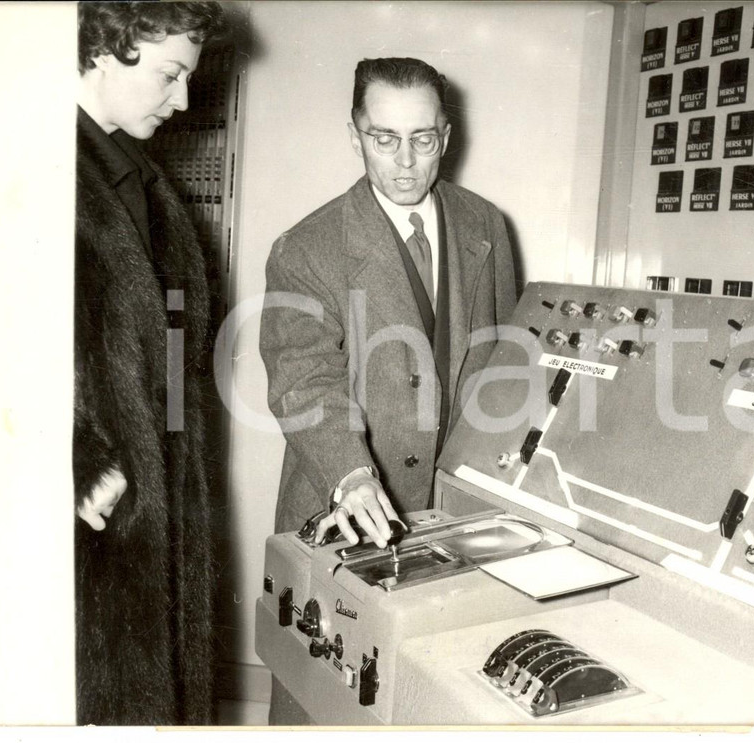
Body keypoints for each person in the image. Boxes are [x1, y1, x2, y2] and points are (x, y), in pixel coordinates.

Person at [259, 57, 518, 721]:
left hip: (453, 517)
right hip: (342, 508)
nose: (405, 162)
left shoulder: (487, 226)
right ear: (355, 135)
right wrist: (351, 473)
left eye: (423, 139)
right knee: (322, 705)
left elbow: (502, 366)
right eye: (384, 139)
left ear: (446, 136)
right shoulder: (307, 246)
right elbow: (302, 375)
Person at [74, 1, 226, 725]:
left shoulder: (131, 170)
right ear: (106, 47)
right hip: (96, 514)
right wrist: (74, 459)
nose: (184, 100)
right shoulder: (27, 161)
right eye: (170, 75)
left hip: (155, 491)